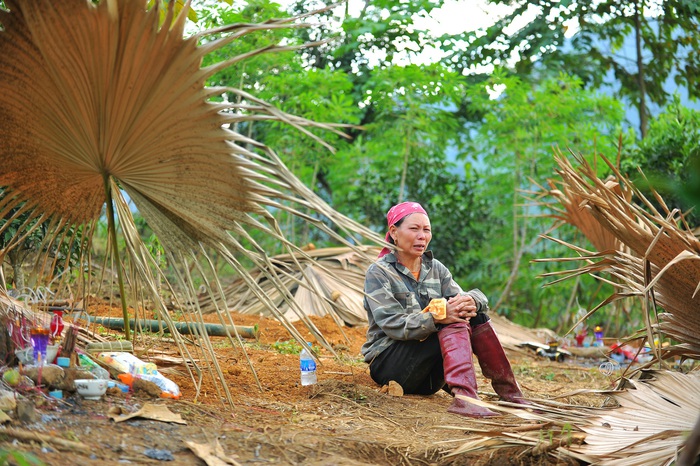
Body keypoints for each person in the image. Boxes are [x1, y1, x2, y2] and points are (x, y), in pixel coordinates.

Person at [361, 201, 529, 417]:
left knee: (472, 313)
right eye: (414, 229)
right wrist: (439, 317)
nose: (422, 236)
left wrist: (472, 301)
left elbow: (465, 298)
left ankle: (510, 394)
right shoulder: (379, 273)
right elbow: (393, 325)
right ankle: (466, 398)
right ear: (394, 232)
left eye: (426, 230)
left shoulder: (435, 268)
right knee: (448, 318)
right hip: (392, 368)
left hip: (429, 379)